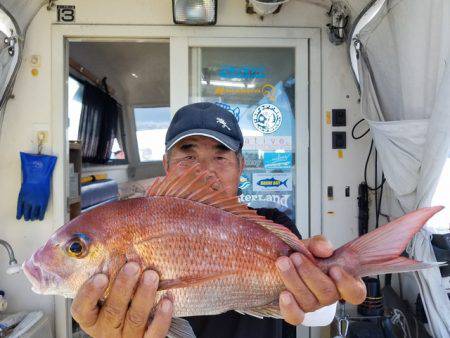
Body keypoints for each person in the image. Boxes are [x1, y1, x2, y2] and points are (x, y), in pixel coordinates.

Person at [71, 102, 366, 338]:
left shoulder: (273, 224)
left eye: (220, 156)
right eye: (188, 156)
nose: (204, 171)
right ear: (166, 166)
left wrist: (326, 289)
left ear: (240, 166)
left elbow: (316, 315)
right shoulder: (134, 226)